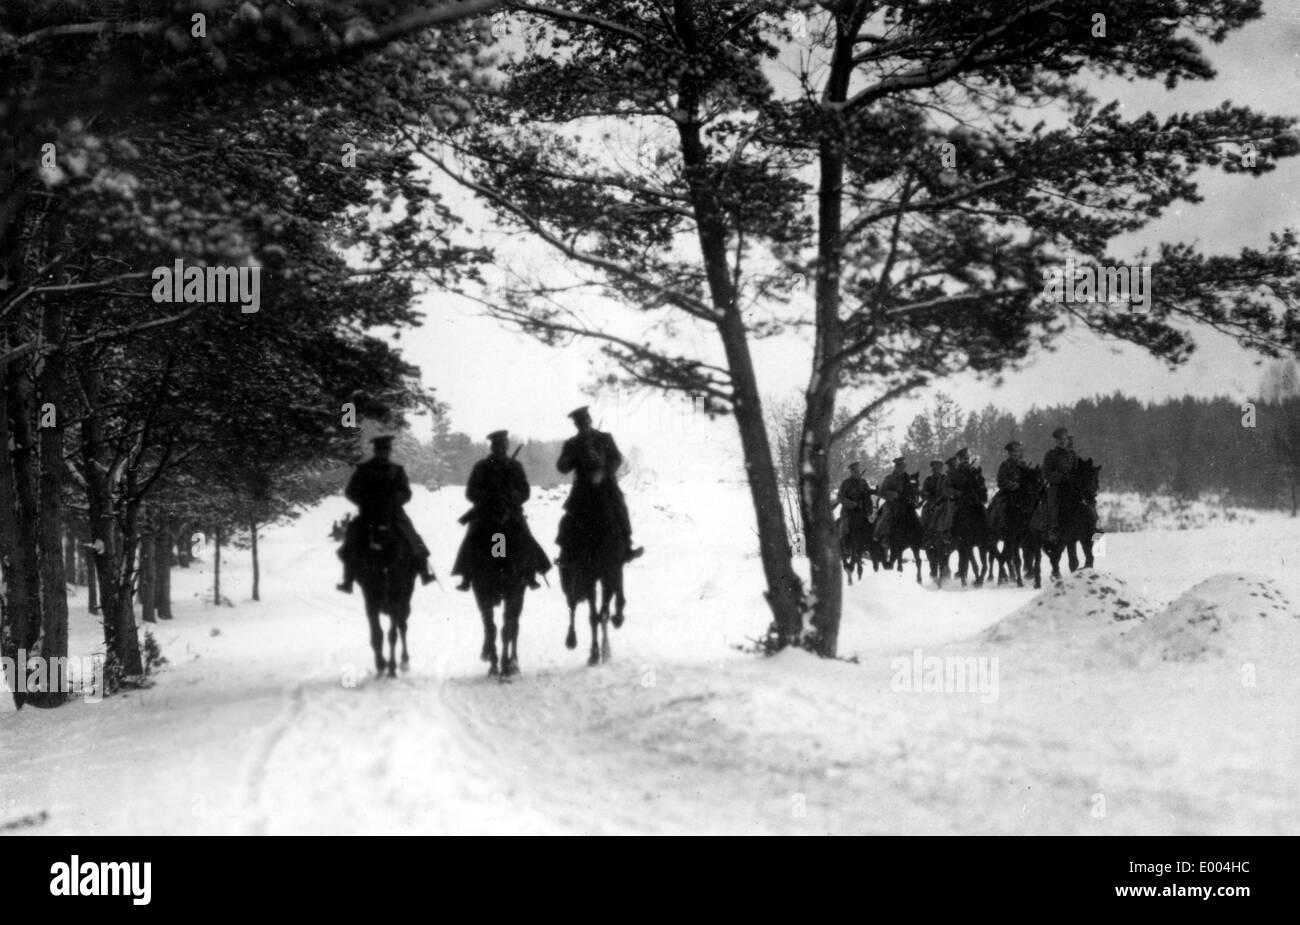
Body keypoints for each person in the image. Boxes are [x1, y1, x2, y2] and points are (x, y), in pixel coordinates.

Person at [451, 430, 552, 591]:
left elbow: (525, 492)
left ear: (506, 446)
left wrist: (511, 497)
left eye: (503, 445)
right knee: (472, 537)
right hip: (485, 512)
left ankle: (530, 572)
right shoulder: (481, 466)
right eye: (497, 445)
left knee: (525, 537)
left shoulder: (515, 466)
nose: (501, 448)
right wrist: (488, 497)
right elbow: (471, 492)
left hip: (510, 511)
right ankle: (467, 576)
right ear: (492, 447)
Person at [337, 435, 435, 593]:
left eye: (386, 451)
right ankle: (348, 581)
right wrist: (365, 501)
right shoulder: (363, 469)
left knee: (413, 537)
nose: (384, 453)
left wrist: (396, 499)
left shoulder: (397, 470)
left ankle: (424, 572)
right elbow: (350, 491)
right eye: (381, 451)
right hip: (368, 514)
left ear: (389, 451)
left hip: (394, 513)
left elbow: (406, 492)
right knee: (352, 539)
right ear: (375, 451)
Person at [556, 406, 643, 562]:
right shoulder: (571, 443)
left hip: (606, 485)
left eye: (585, 421)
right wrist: (572, 456)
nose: (583, 425)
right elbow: (562, 467)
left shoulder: (605, 438)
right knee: (570, 516)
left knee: (620, 509)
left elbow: (616, 458)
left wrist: (603, 472)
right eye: (579, 423)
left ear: (590, 420)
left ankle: (626, 548)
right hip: (582, 488)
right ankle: (566, 554)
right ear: (576, 425)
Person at [1042, 426, 1078, 541]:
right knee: (1053, 503)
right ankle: (1054, 529)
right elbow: (1046, 472)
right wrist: (1061, 478)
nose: (1062, 442)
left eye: (1064, 439)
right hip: (1057, 486)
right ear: (1056, 441)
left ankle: (1092, 528)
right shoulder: (1051, 454)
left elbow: (1078, 469)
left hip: (1072, 485)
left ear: (1068, 440)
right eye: (1059, 440)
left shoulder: (1073, 454)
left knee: (1088, 502)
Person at [835, 462, 874, 544]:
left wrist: (874, 491)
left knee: (872, 525)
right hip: (849, 511)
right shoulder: (846, 483)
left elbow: (868, 491)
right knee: (845, 526)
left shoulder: (863, 482)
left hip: (862, 510)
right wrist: (852, 503)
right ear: (851, 472)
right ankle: (844, 543)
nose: (857, 472)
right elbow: (839, 498)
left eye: (857, 470)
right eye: (854, 471)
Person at [873, 456, 908, 541]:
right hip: (891, 504)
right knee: (886, 515)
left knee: (916, 516)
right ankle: (880, 535)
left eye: (903, 467)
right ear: (896, 467)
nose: (902, 469)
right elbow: (881, 492)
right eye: (900, 467)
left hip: (905, 503)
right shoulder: (889, 478)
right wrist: (892, 494)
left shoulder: (907, 478)